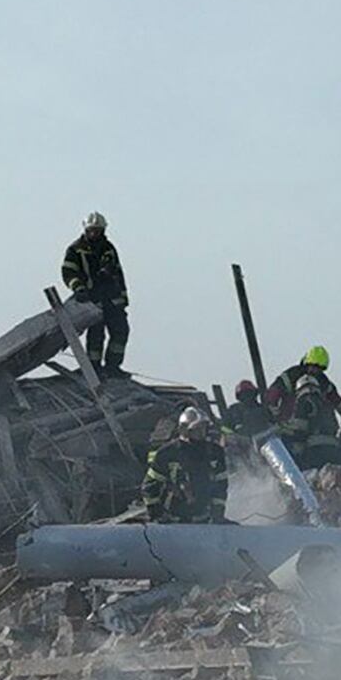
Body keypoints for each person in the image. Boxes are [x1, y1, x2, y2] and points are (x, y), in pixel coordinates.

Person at [61, 212, 129, 377]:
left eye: (97, 230)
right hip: (92, 299)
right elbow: (68, 272)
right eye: (91, 230)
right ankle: (94, 368)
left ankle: (113, 367)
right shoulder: (75, 249)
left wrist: (123, 297)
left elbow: (118, 273)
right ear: (86, 230)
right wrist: (78, 287)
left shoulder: (108, 248)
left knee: (121, 330)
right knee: (96, 334)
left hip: (112, 299)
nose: (94, 234)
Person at [142, 407, 227, 522]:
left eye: (204, 428)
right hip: (173, 520)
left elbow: (221, 484)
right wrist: (157, 514)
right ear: (185, 430)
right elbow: (150, 486)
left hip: (204, 518)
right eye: (197, 429)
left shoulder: (214, 452)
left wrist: (218, 513)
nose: (202, 433)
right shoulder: (167, 453)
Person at [267, 346, 340, 419]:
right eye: (313, 367)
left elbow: (336, 400)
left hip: (314, 423)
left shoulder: (324, 382)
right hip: (289, 421)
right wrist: (274, 412)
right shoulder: (292, 375)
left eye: (319, 369)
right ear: (307, 364)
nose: (315, 371)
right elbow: (274, 391)